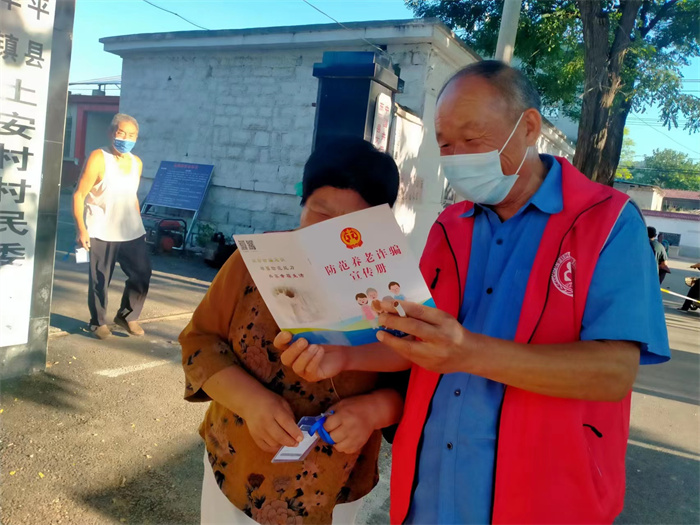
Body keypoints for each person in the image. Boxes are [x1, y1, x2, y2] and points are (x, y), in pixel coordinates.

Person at [277, 61, 670, 524]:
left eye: (473, 138)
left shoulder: (605, 223)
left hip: (545, 501)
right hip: (429, 493)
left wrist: (469, 353)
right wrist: (344, 357)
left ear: (528, 127)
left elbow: (614, 373)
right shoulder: (450, 226)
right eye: (445, 143)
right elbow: (416, 342)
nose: (457, 156)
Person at [179, 137, 404, 525]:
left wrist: (373, 411)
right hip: (235, 469)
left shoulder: (390, 292)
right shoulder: (254, 261)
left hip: (335, 483)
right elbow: (199, 342)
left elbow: (417, 379)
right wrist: (251, 402)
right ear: (302, 203)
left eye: (349, 227)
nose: (328, 234)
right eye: (320, 212)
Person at [73, 113, 151, 339]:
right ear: (111, 133)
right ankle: (97, 322)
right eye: (121, 133)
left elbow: (132, 196)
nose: (126, 139)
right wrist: (81, 229)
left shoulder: (136, 163)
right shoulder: (99, 157)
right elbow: (79, 194)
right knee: (100, 279)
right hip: (101, 230)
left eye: (132, 135)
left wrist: (139, 225)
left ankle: (127, 316)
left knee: (142, 273)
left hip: (131, 230)